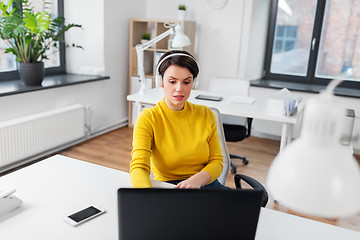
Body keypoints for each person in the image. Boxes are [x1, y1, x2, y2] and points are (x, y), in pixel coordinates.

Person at [130, 50, 228, 189]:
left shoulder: (206, 114)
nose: (179, 89)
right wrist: (144, 195)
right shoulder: (148, 118)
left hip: (204, 183)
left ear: (194, 83)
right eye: (172, 81)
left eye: (186, 82)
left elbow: (217, 161)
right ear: (161, 81)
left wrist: (195, 182)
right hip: (169, 187)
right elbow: (139, 167)